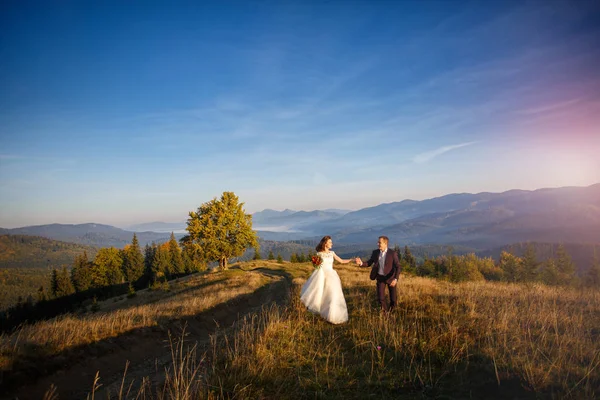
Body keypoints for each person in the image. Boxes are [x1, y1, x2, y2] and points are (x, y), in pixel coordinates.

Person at [300, 235, 353, 324]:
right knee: (323, 295)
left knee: (333, 295)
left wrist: (352, 260)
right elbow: (316, 267)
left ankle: (333, 316)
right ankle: (324, 313)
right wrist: (315, 263)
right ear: (325, 244)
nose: (332, 244)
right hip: (321, 276)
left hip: (332, 276)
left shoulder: (332, 253)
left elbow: (342, 261)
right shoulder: (318, 254)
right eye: (330, 242)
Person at [355, 236, 401, 311]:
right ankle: (385, 315)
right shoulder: (375, 252)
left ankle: (392, 312)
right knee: (380, 298)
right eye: (378, 242)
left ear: (385, 243)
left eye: (380, 242)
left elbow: (398, 266)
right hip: (380, 278)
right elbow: (369, 263)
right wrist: (361, 263)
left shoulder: (392, 253)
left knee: (393, 299)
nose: (377, 244)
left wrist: (395, 279)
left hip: (391, 278)